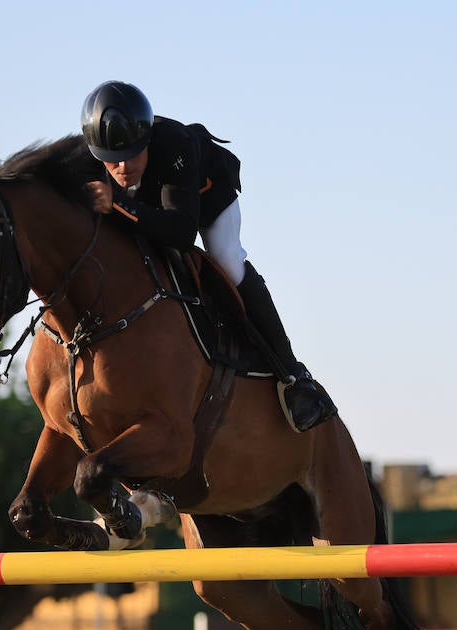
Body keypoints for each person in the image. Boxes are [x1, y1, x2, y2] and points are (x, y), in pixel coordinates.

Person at [79, 80, 337, 433]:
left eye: (132, 154)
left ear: (147, 139)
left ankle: (294, 377)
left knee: (227, 262)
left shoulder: (174, 145)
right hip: (154, 208)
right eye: (112, 161)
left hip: (206, 201)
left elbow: (182, 233)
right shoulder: (91, 159)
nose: (122, 167)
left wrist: (120, 204)